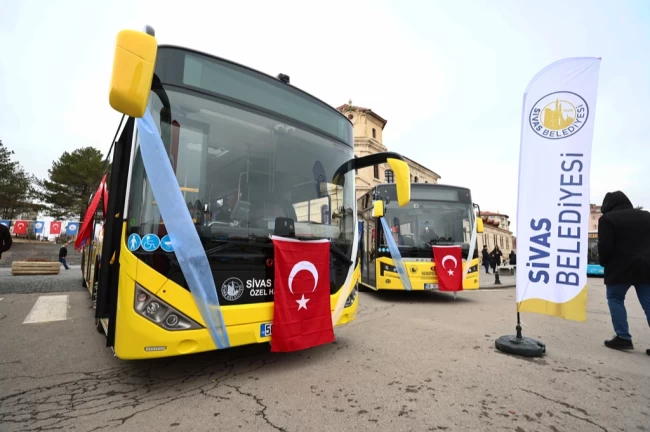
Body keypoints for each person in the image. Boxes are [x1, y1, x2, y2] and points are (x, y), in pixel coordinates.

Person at [598, 191, 650, 355]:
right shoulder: (647, 216)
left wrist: (604, 263)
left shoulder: (607, 219)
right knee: (648, 302)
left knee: (615, 299)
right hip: (647, 267)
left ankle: (623, 337)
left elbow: (605, 246)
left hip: (619, 269)